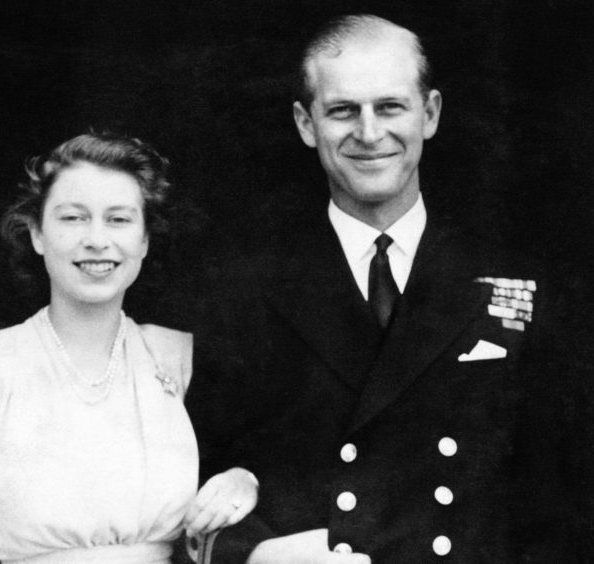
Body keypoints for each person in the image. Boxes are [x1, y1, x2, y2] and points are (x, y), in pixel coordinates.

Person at [185, 14, 581, 564]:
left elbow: (564, 504)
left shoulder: (518, 283)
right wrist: (254, 554)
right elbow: (193, 491)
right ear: (306, 123)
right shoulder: (244, 290)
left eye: (390, 107)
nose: (369, 134)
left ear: (430, 114)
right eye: (343, 110)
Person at [0, 132, 258, 564]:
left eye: (119, 220)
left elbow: (267, 466)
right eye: (73, 218)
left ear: (143, 240)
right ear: (37, 234)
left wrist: (244, 481)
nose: (97, 239)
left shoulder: (180, 358)